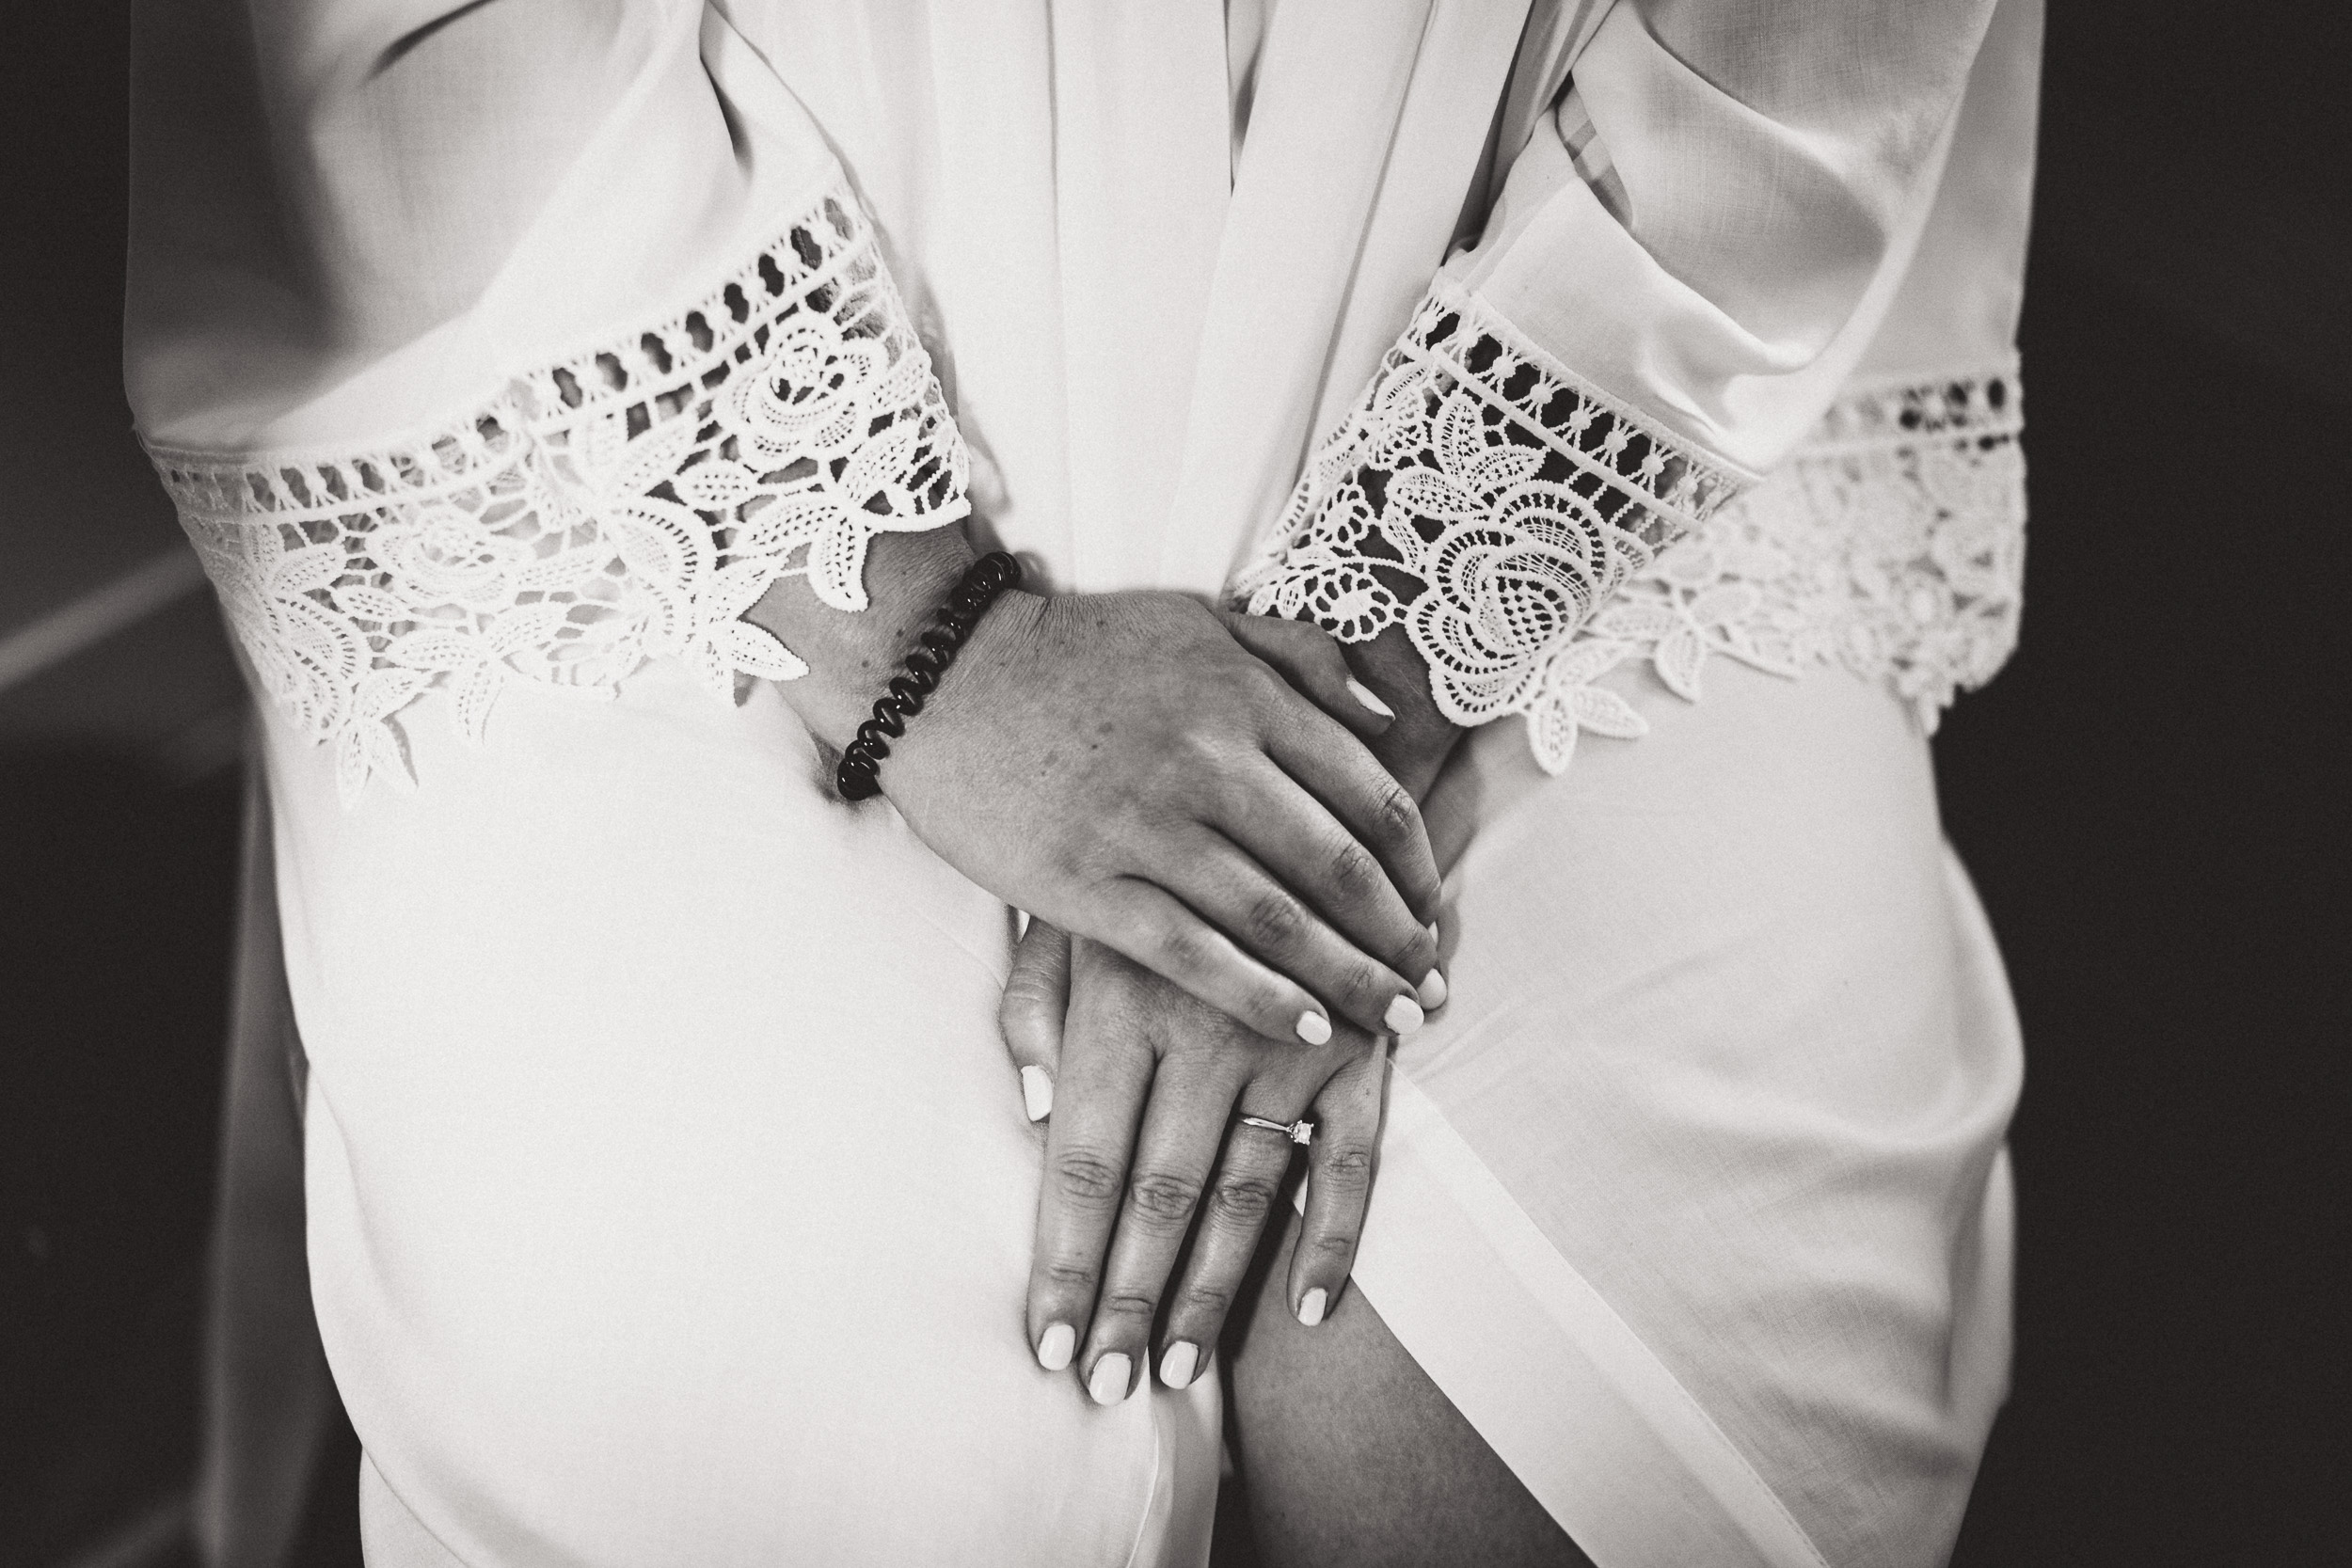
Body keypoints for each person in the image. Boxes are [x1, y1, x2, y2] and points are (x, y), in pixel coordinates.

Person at [132, 2, 2038, 1563]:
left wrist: (1338, 738)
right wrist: (932, 652)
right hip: (653, 334)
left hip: (1588, 332)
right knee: (800, 1481)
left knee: (1571, 1473)